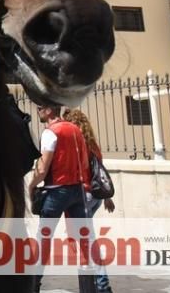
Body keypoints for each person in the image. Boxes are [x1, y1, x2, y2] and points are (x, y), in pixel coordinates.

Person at [28, 102, 91, 293]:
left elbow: (43, 167)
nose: (37, 111)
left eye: (40, 108)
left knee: (43, 238)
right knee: (83, 239)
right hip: (77, 190)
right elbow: (85, 162)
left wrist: (31, 186)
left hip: (57, 192)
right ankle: (90, 287)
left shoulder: (50, 132)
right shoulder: (75, 130)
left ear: (48, 110)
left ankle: (34, 285)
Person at [64, 107, 115, 293]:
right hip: (96, 197)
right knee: (86, 239)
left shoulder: (75, 144)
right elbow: (101, 170)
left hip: (82, 196)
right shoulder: (92, 143)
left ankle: (102, 285)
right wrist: (108, 198)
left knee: (89, 241)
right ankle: (92, 282)